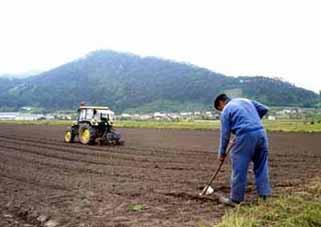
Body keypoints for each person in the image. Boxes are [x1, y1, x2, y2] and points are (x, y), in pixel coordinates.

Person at [214, 94, 271, 205]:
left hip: (245, 137)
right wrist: (252, 122)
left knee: (239, 168)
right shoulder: (245, 100)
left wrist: (221, 154)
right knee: (261, 166)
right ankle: (264, 197)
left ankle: (235, 199)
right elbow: (264, 109)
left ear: (221, 103)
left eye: (219, 109)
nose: (221, 111)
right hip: (261, 133)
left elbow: (225, 135)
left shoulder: (226, 109)